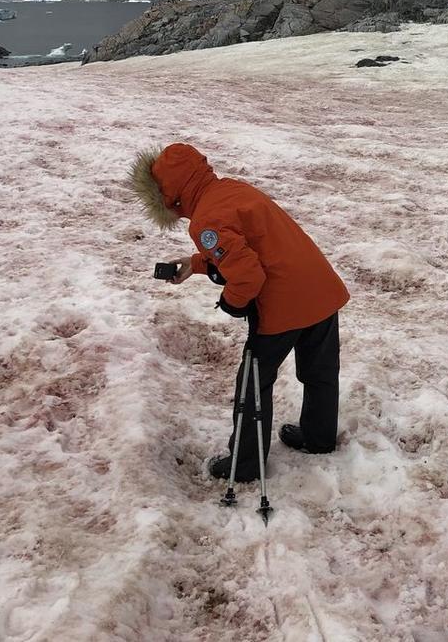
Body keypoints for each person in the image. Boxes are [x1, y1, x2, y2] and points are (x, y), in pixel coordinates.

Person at [129, 144, 350, 482]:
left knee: (253, 383)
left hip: (283, 303)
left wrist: (232, 304)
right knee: (320, 372)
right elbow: (246, 244)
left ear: (168, 195)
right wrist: (196, 263)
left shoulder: (205, 220)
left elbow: (247, 276)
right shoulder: (231, 189)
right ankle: (318, 438)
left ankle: (246, 464)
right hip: (319, 290)